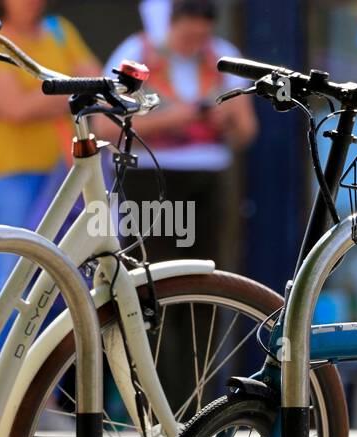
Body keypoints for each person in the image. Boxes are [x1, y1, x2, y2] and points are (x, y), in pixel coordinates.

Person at [101, 0, 257, 265]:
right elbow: (105, 127)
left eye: (202, 37)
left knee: (205, 267)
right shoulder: (136, 52)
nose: (195, 46)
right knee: (150, 266)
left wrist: (226, 122)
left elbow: (246, 132)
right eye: (187, 37)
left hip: (206, 180)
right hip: (149, 178)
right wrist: (170, 120)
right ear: (169, 25)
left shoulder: (222, 56)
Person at [0, 0, 99, 304]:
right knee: (12, 284)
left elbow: (96, 79)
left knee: (66, 284)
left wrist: (54, 94)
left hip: (63, 174)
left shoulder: (60, 31)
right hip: (11, 175)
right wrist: (73, 93)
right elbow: (15, 108)